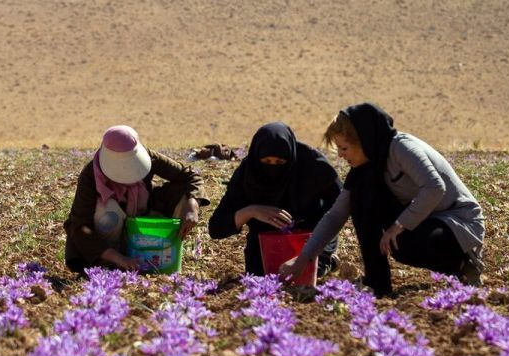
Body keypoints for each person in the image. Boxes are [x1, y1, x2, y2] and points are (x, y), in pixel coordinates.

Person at [280, 103, 485, 296]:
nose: (341, 156)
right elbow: (335, 216)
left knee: (403, 243)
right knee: (361, 196)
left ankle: (463, 264)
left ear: (363, 140)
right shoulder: (364, 169)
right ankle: (377, 282)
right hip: (425, 219)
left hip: (457, 221)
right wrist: (303, 258)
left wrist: (398, 225)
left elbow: (435, 187)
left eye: (344, 148)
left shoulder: (401, 147)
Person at [64, 125, 207, 273]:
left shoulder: (150, 156)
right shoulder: (90, 175)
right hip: (106, 247)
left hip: (139, 225)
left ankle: (156, 251)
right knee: (107, 210)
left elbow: (191, 176)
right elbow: (80, 227)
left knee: (185, 191)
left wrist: (192, 205)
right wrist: (118, 258)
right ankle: (108, 263)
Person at [207, 122, 342, 276]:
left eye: (280, 162)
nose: (273, 167)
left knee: (306, 274)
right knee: (259, 276)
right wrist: (252, 211)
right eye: (266, 162)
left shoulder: (311, 163)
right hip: (265, 240)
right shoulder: (247, 174)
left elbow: (339, 203)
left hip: (309, 237)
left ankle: (327, 262)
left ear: (290, 158)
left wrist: (320, 247)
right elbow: (216, 228)